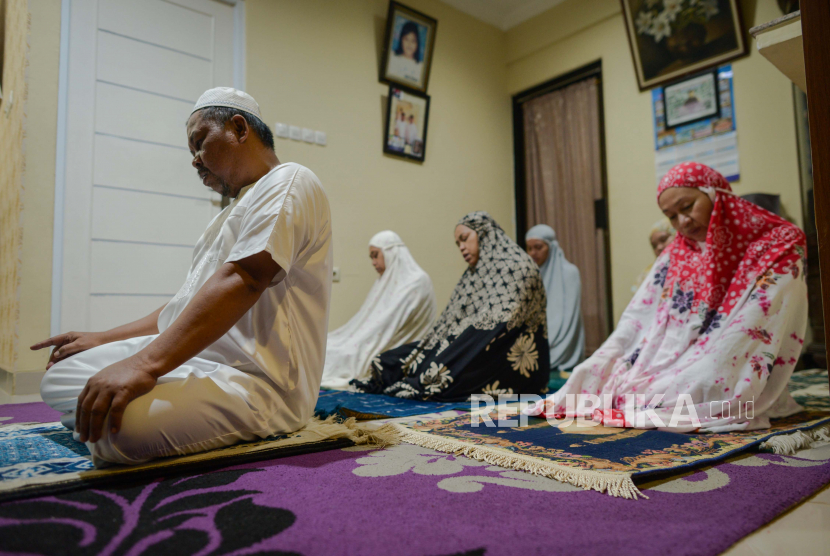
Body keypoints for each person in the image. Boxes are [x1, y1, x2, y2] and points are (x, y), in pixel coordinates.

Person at [33, 87, 333, 466]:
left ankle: (97, 423)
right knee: (61, 374)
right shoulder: (235, 210)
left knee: (118, 437)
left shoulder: (290, 182)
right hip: (195, 360)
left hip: (258, 383)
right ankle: (96, 419)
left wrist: (144, 366)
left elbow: (245, 279)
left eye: (199, 143)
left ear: (239, 128)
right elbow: (186, 306)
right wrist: (102, 339)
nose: (194, 160)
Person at [526, 162, 807, 432]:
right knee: (597, 369)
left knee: (704, 381)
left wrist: (699, 356)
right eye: (672, 216)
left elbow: (756, 322)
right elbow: (637, 320)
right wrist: (616, 355)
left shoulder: (776, 243)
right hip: (674, 353)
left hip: (728, 347)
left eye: (688, 207)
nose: (682, 221)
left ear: (715, 194)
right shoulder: (676, 253)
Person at [352, 211, 549, 401]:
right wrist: (443, 347)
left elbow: (501, 325)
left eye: (465, 238)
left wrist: (450, 351)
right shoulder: (475, 273)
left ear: (484, 232)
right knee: (386, 362)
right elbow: (450, 323)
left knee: (436, 374)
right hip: (470, 343)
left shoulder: (520, 266)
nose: (461, 247)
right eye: (458, 243)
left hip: (500, 358)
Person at [321, 231, 436, 389]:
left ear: (391, 252)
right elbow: (367, 320)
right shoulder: (386, 281)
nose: (373, 262)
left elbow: (386, 326)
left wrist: (357, 344)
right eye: (371, 257)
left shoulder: (416, 281)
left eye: (376, 255)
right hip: (372, 339)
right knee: (327, 345)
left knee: (340, 354)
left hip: (399, 349)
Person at [525, 225, 585, 384]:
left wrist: (546, 348)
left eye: (538, 247)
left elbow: (570, 322)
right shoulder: (529, 276)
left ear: (551, 247)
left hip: (562, 352)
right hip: (534, 350)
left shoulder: (569, 273)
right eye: (529, 248)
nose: (533, 253)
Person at [631, 218, 676, 292]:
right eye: (654, 246)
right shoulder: (647, 275)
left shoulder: (693, 264)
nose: (659, 247)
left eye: (663, 239)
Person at [386, 20, 423, 85]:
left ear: (417, 43)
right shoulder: (392, 56)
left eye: (413, 41)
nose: (409, 44)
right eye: (406, 39)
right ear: (401, 40)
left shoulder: (420, 66)